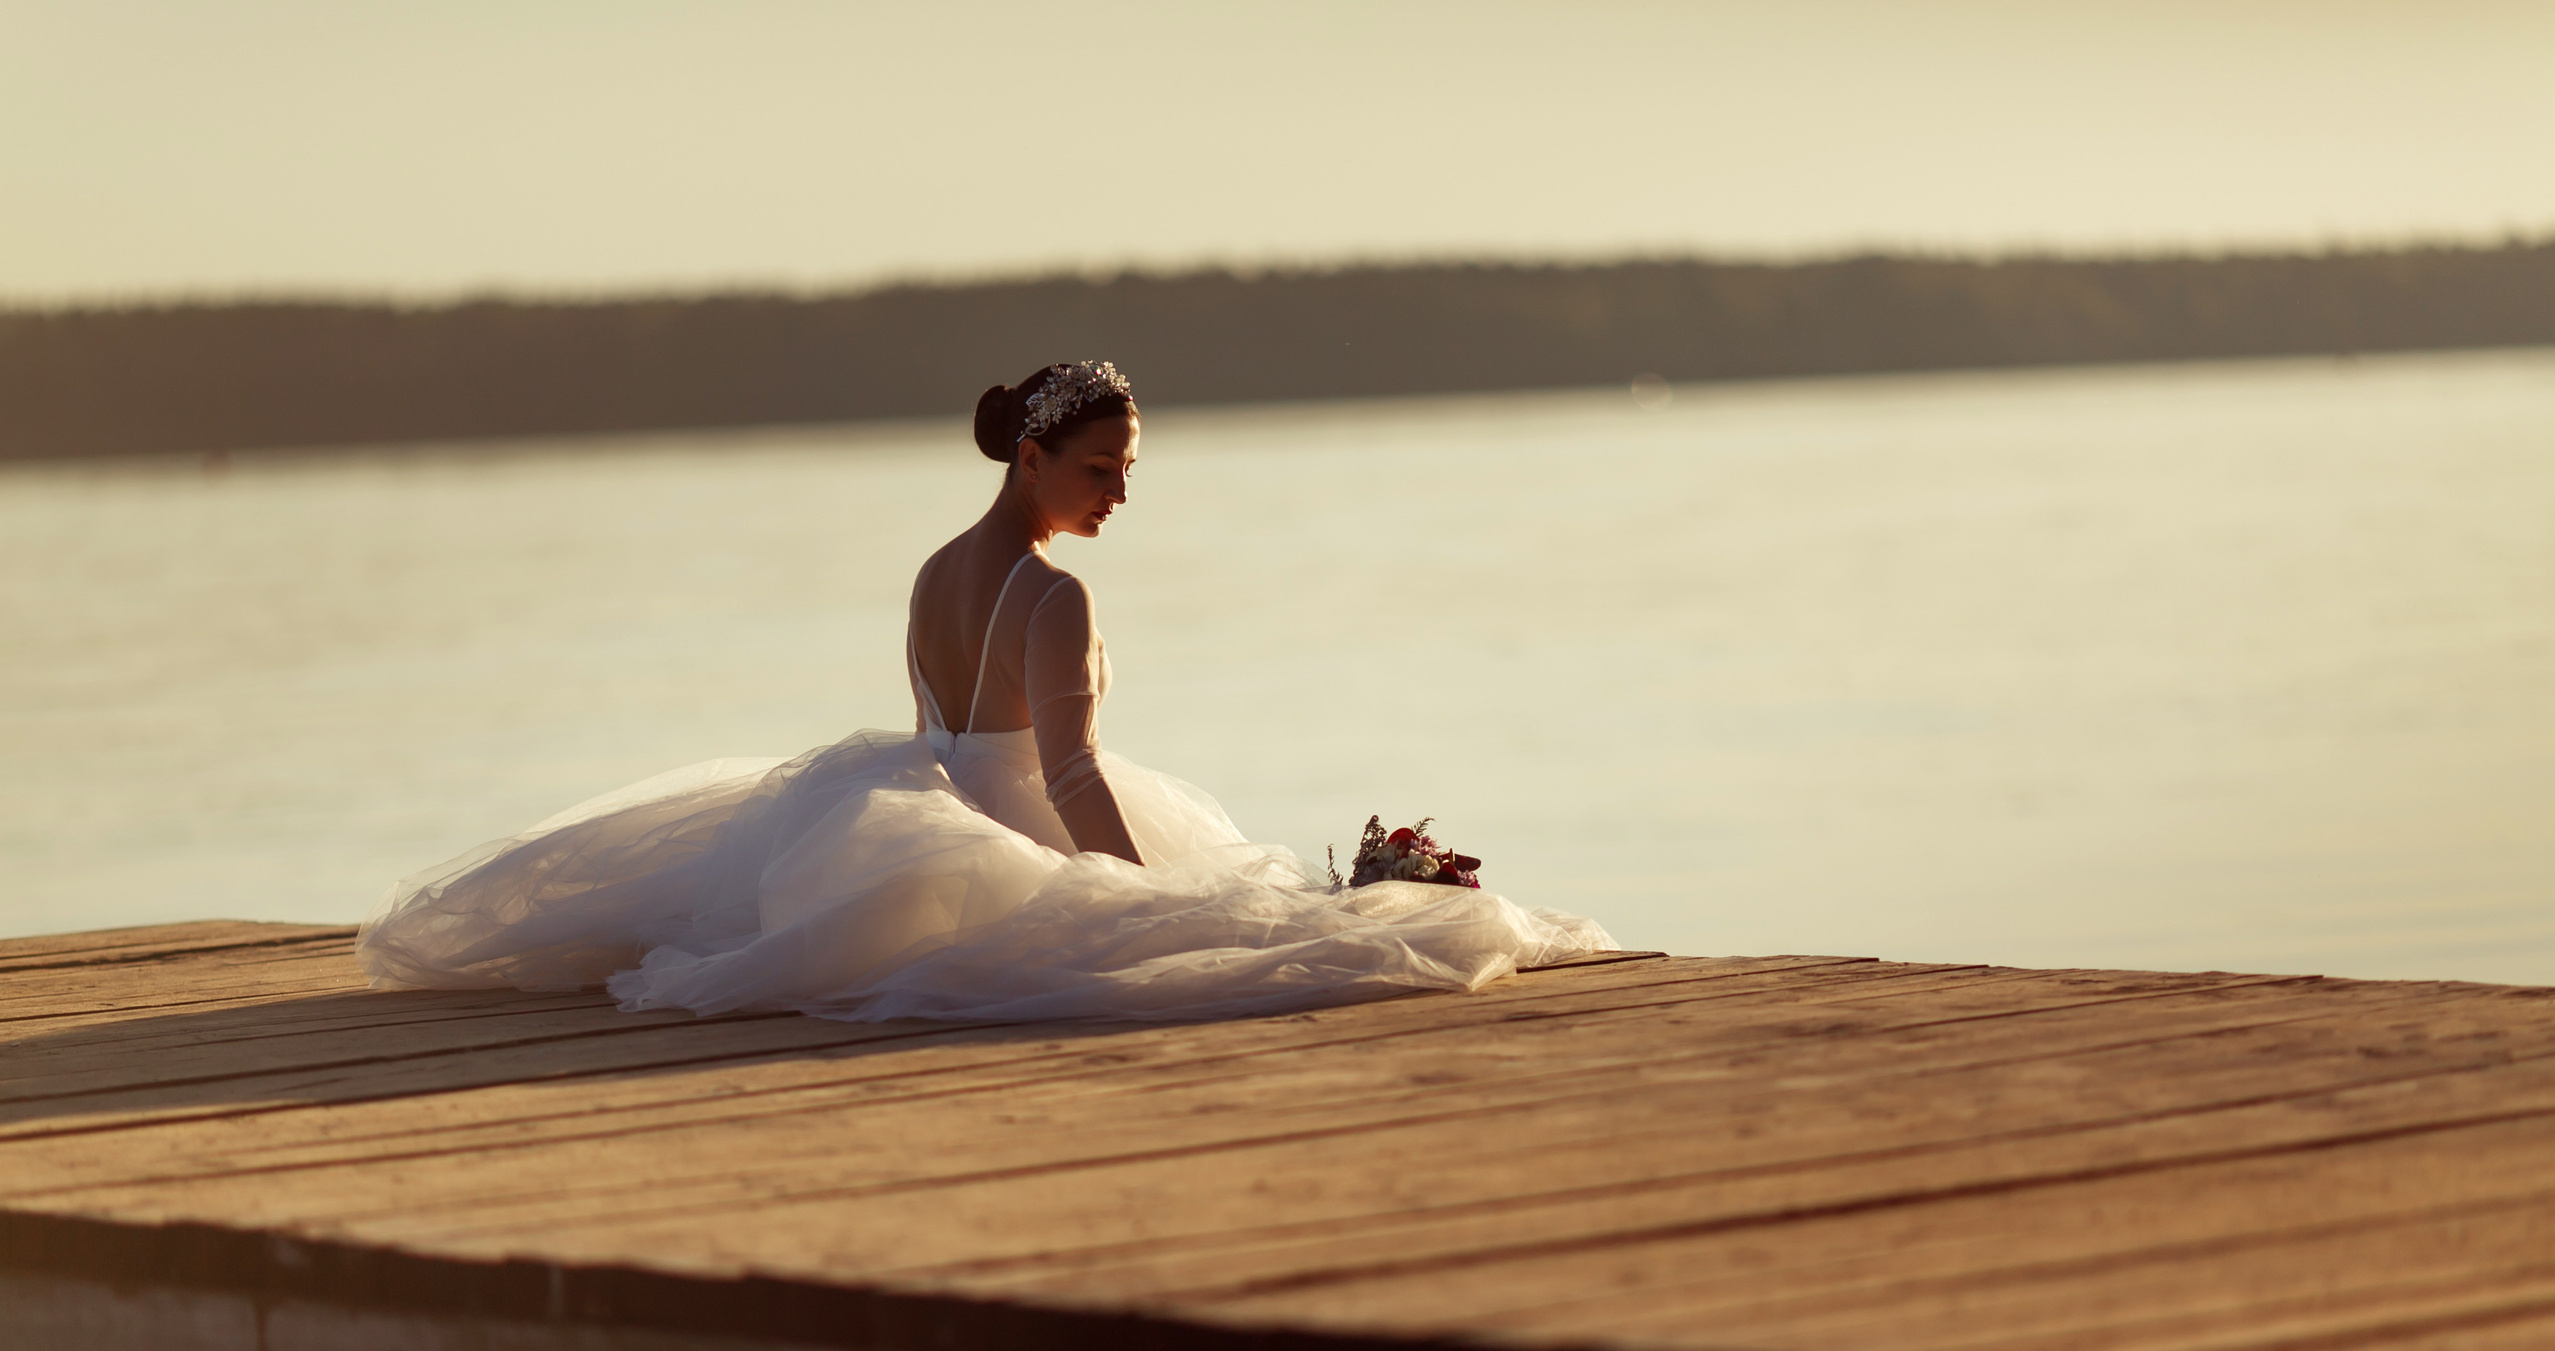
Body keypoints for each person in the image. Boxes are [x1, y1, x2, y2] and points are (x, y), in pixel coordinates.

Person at [356, 361, 1613, 1023]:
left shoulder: (929, 572)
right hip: (1019, 826)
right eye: (1100, 470)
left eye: (1128, 471)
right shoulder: (1052, 596)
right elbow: (1069, 775)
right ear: (1031, 456)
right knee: (1241, 927)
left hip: (921, 810)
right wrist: (1147, 895)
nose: (1119, 495)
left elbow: (934, 736)